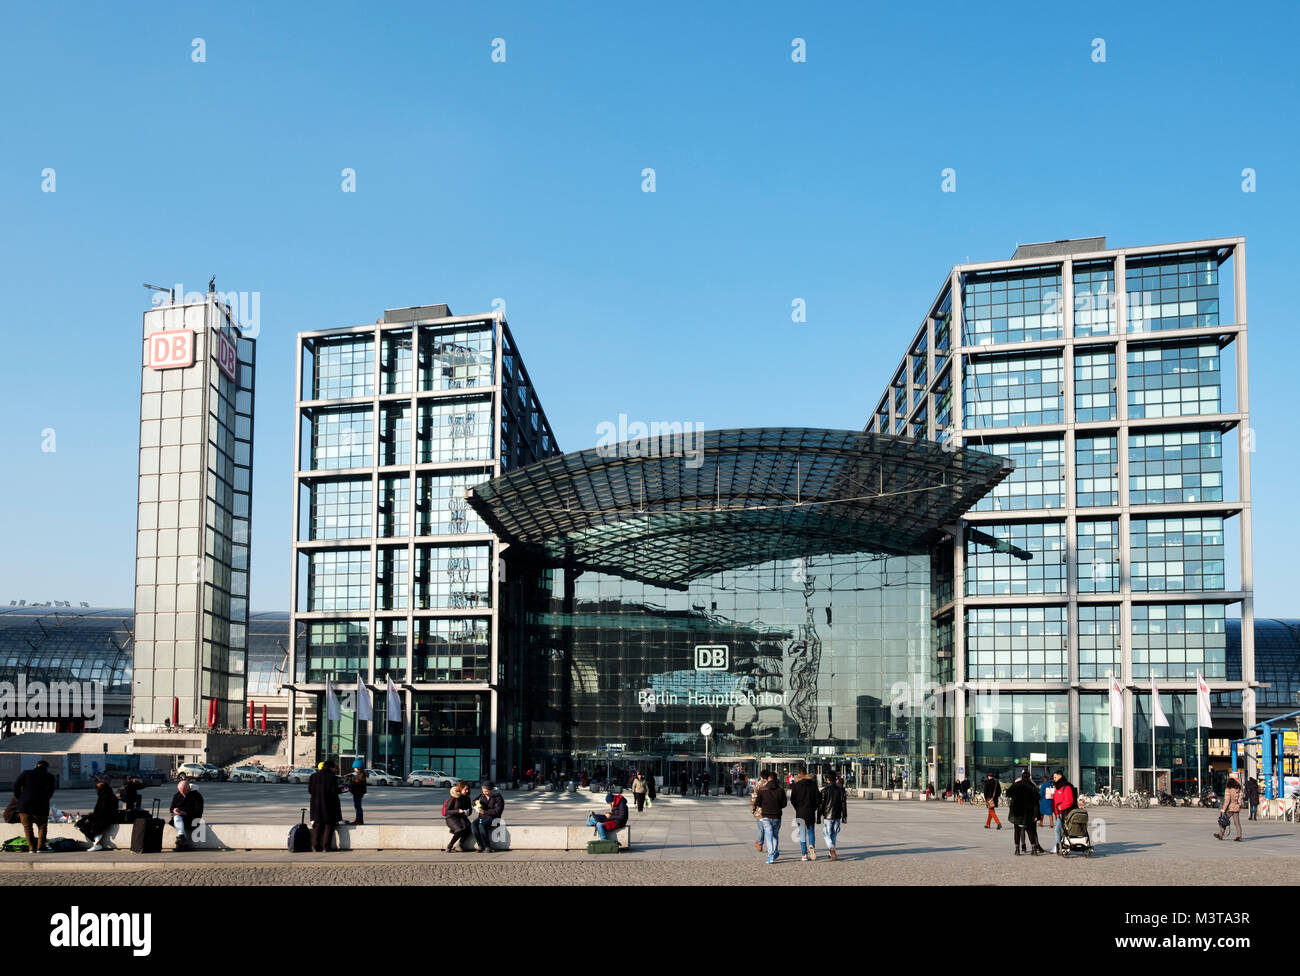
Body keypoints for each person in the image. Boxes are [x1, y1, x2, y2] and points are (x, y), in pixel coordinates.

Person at [13, 759, 56, 854]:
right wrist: (44, 799)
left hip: (24, 806)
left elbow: (16, 786)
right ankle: (41, 847)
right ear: (47, 768)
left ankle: (31, 848)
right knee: (42, 826)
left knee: (27, 827)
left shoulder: (26, 773)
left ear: (36, 765)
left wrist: (19, 798)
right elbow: (51, 792)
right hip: (41, 806)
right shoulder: (49, 776)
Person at [1006, 770, 1046, 856]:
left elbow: (1008, 793)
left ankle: (1017, 850)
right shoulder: (1032, 786)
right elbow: (1036, 800)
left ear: (1021, 776)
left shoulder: (1016, 785)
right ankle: (1033, 849)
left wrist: (1014, 797)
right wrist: (1036, 814)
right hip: (1028, 812)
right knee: (1030, 831)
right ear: (1029, 777)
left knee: (1017, 831)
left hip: (1017, 812)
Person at [753, 766, 787, 864]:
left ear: (768, 779)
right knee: (775, 835)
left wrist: (764, 805)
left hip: (766, 815)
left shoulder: (762, 790)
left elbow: (758, 802)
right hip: (777, 816)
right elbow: (784, 804)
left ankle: (771, 856)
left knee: (769, 836)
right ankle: (775, 851)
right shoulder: (780, 790)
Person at [308, 759, 343, 852]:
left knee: (317, 825)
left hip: (315, 804)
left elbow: (310, 791)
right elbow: (334, 791)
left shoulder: (313, 776)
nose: (335, 770)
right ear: (331, 768)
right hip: (328, 805)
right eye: (334, 768)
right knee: (329, 825)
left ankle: (315, 846)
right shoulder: (332, 777)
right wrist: (343, 789)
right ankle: (326, 846)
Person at [789, 763, 820, 861]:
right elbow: (818, 799)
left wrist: (797, 808)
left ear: (799, 774)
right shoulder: (813, 784)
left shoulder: (796, 785)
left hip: (800, 812)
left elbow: (793, 799)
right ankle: (811, 845)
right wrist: (814, 808)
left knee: (802, 833)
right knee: (811, 831)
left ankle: (804, 855)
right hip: (810, 811)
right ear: (806, 774)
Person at [818, 770, 848, 861]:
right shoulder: (841, 790)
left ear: (827, 779)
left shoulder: (824, 791)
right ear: (835, 779)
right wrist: (844, 816)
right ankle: (830, 854)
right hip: (837, 815)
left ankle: (831, 847)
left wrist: (818, 816)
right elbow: (844, 804)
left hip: (827, 816)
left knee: (826, 833)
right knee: (834, 834)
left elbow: (821, 805)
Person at [83, 779, 120, 852]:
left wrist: (90, 817)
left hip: (105, 818)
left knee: (85, 824)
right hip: (107, 816)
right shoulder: (108, 795)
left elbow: (101, 811)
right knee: (86, 823)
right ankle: (96, 843)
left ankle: (96, 844)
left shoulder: (104, 796)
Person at [169, 777, 205, 850]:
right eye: (180, 792)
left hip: (192, 818)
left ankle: (182, 840)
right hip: (180, 817)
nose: (182, 793)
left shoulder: (196, 796)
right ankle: (182, 838)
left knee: (177, 819)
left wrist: (185, 813)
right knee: (176, 817)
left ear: (189, 788)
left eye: (184, 791)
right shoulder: (177, 795)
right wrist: (174, 810)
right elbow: (171, 808)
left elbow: (198, 811)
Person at [472, 780, 505, 853]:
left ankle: (487, 846)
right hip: (482, 817)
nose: (484, 793)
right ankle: (480, 846)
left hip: (494, 819)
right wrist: (476, 802)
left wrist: (484, 812)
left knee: (482, 825)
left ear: (492, 790)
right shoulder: (482, 795)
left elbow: (497, 811)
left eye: (486, 791)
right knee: (473, 824)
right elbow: (473, 801)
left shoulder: (498, 798)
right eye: (483, 791)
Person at [1050, 770, 1077, 853]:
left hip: (1065, 812)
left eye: (1055, 777)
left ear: (1060, 776)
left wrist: (1060, 807)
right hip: (1058, 813)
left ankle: (1057, 846)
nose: (1054, 779)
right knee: (1061, 830)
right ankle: (1062, 845)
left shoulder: (1066, 787)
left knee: (1057, 829)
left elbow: (1069, 801)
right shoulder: (1058, 788)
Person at [443, 781, 473, 852]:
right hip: (451, 818)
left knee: (469, 828)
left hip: (462, 817)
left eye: (468, 789)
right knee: (460, 829)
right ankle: (450, 845)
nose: (467, 791)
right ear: (460, 789)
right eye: (465, 789)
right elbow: (447, 811)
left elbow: (470, 809)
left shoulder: (467, 798)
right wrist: (457, 811)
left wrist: (468, 812)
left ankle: (460, 845)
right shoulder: (454, 798)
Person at [1215, 776, 1244, 841]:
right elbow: (1241, 798)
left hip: (1230, 808)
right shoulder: (1238, 789)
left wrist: (1223, 809)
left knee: (1224, 821)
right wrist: (1239, 805)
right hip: (1236, 807)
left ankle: (1220, 835)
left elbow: (1227, 801)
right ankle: (1239, 836)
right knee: (1237, 823)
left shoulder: (1228, 789)